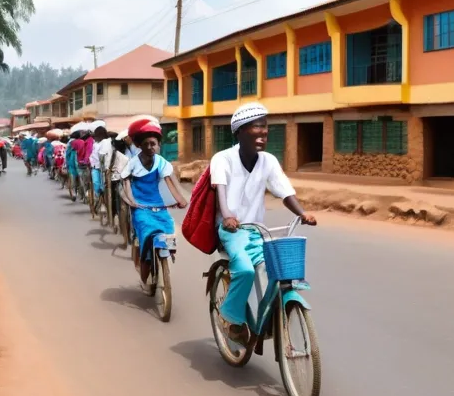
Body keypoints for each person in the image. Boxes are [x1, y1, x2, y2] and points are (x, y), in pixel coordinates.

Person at [210, 102, 317, 344]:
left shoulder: (268, 160)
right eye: (256, 128)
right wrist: (227, 216)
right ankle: (231, 316)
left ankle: (269, 316)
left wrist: (302, 213)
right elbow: (221, 193)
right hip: (231, 230)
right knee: (246, 270)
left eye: (265, 128)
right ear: (239, 132)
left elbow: (285, 192)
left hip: (258, 231)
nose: (263, 133)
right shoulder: (222, 159)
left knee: (279, 270)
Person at [121, 119, 188, 289]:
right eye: (146, 144)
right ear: (139, 145)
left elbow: (171, 182)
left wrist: (180, 198)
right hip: (140, 207)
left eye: (154, 144)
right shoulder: (133, 163)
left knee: (168, 229)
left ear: (158, 144)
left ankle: (167, 256)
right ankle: (145, 263)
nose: (151, 147)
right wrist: (132, 201)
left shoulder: (161, 162)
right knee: (146, 231)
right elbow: (126, 183)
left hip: (158, 205)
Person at [65, 133, 80, 200]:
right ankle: (74, 193)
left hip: (73, 163)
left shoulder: (70, 143)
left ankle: (74, 193)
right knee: (76, 179)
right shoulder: (72, 143)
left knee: (73, 180)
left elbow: (67, 155)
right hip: (76, 164)